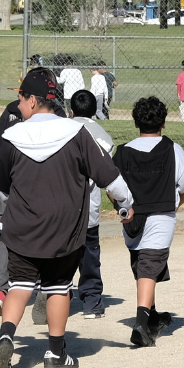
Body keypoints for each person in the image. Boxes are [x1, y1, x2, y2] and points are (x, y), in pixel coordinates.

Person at [0, 68, 132, 368]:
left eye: (20, 98)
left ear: (32, 100)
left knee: (19, 285)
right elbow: (110, 177)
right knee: (58, 287)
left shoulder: (12, 137)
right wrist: (126, 204)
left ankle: (5, 337)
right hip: (64, 231)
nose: (18, 105)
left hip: (22, 229)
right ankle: (55, 352)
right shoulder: (76, 133)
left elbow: (1, 186)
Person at [114, 96, 184, 347]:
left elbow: (111, 186)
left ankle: (151, 317)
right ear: (163, 123)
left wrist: (123, 208)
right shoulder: (172, 149)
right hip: (161, 216)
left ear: (136, 123)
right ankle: (141, 324)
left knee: (142, 264)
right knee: (149, 266)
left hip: (132, 218)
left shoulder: (123, 152)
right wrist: (173, 205)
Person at [68, 90, 115, 318]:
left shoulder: (61, 129)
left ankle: (55, 296)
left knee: (59, 257)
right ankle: (92, 303)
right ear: (94, 111)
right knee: (89, 256)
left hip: (61, 209)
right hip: (89, 208)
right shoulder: (103, 136)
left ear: (71, 110)